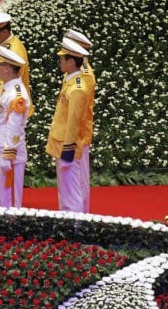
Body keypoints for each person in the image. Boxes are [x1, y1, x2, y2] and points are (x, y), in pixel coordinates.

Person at [46, 36, 95, 213]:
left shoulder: (78, 88)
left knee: (72, 193)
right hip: (63, 143)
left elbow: (74, 122)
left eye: (63, 58)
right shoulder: (72, 81)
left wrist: (68, 151)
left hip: (68, 147)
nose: (60, 61)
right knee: (67, 191)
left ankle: (75, 226)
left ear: (71, 62)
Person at [0, 46, 31, 208]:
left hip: (8, 154)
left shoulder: (16, 94)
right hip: (0, 149)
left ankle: (12, 223)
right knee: (3, 198)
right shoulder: (7, 89)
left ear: (7, 69)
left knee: (9, 200)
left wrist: (8, 155)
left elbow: (14, 128)